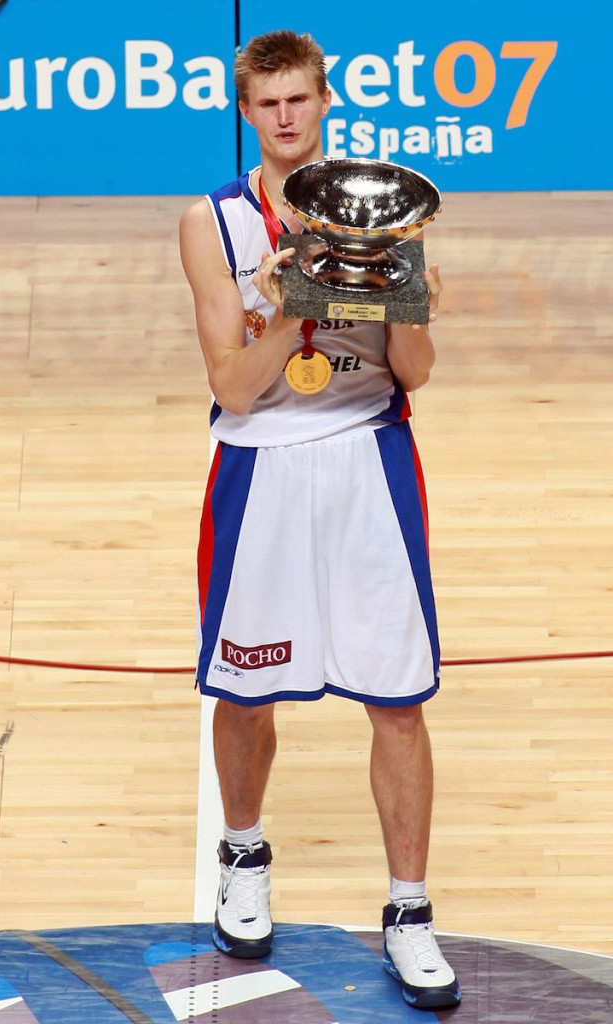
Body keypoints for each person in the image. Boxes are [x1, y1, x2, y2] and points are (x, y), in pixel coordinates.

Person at [179, 28, 460, 1011]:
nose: (285, 117)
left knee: (397, 698)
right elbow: (233, 387)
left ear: (324, 99)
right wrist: (300, 301)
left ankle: (409, 913)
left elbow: (414, 372)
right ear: (244, 112)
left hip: (367, 458)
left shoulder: (382, 211)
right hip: (260, 467)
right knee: (245, 686)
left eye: (298, 98)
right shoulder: (212, 224)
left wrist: (398, 296)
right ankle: (243, 857)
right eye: (267, 104)